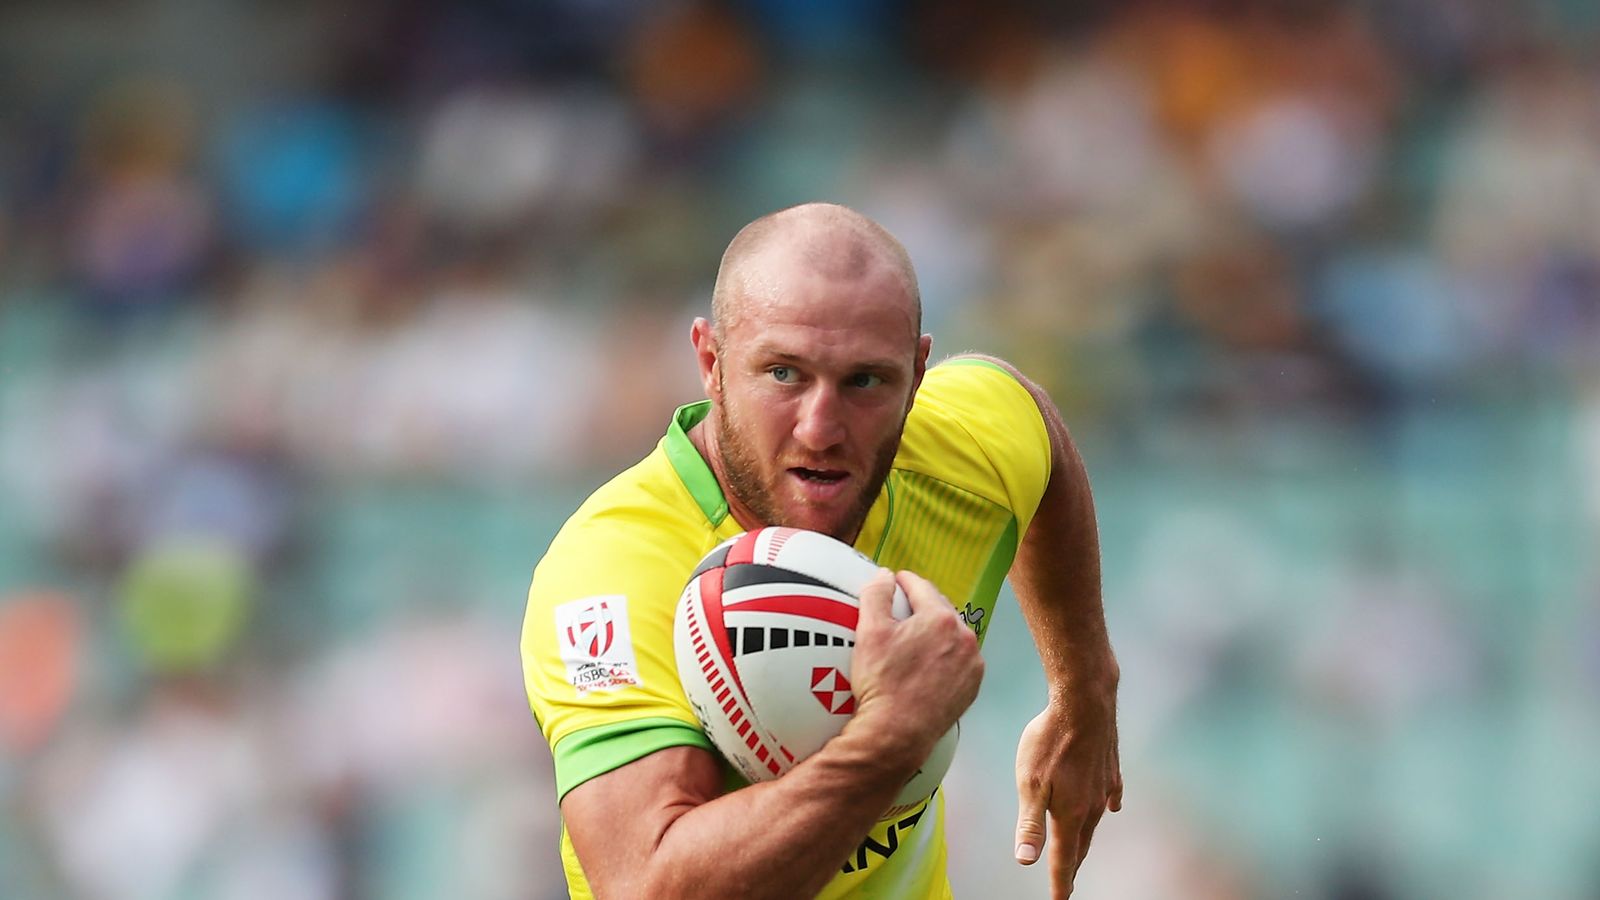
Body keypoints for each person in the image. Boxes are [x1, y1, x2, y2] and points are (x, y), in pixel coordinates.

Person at [521, 202, 1121, 899]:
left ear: (916, 375)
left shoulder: (953, 459)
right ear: (711, 363)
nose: (821, 428)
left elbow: (1031, 419)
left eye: (865, 381)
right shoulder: (612, 572)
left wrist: (1084, 689)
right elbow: (644, 886)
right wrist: (890, 736)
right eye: (784, 374)